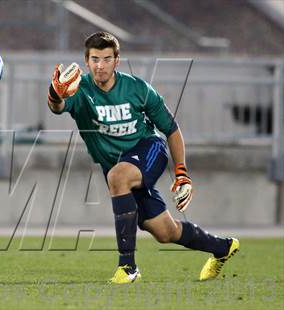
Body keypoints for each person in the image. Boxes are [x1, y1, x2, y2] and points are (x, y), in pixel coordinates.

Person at [47, 31, 239, 284]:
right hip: (117, 165)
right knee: (164, 231)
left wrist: (181, 171)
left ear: (117, 61)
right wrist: (55, 93)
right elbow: (57, 108)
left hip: (149, 149)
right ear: (86, 61)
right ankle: (223, 248)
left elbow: (170, 128)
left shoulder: (137, 89)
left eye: (106, 59)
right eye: (94, 59)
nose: (100, 65)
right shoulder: (79, 90)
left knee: (118, 177)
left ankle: (128, 267)